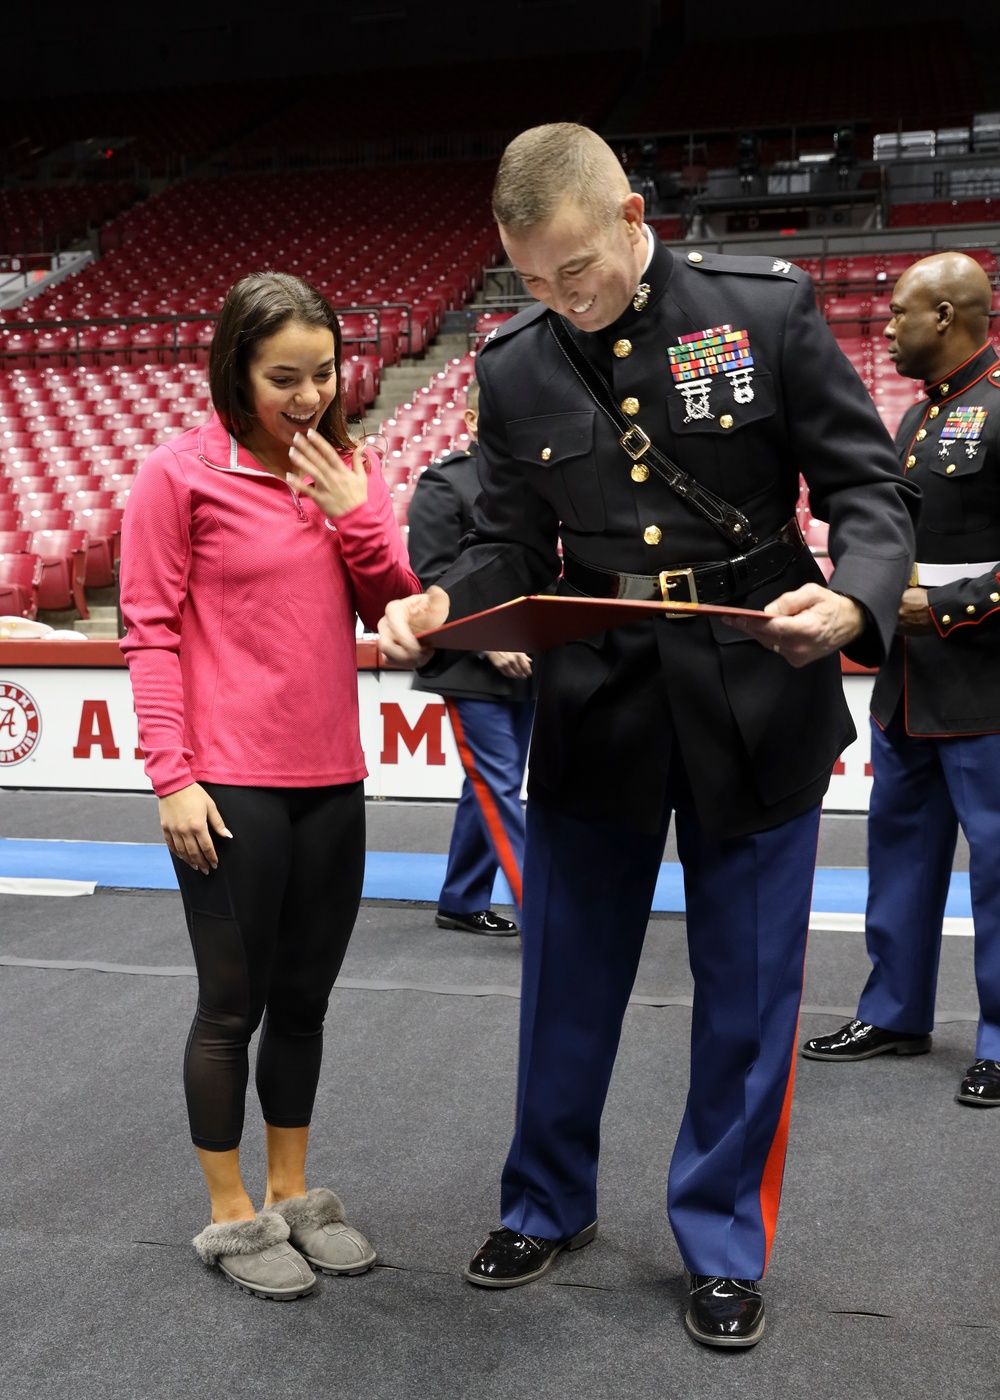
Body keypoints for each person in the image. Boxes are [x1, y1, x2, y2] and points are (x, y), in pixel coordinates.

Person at [377, 123, 918, 1349]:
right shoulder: (516, 364)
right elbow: (507, 542)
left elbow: (869, 490)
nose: (563, 301)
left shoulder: (760, 313)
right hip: (602, 696)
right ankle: (546, 1199)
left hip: (757, 684)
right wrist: (442, 602)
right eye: (533, 281)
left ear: (630, 213)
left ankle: (720, 1239)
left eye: (578, 271)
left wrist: (850, 596)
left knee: (746, 990)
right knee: (566, 977)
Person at [119, 272, 421, 1299]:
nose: (306, 395)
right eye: (281, 376)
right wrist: (171, 777)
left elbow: (399, 608)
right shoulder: (178, 475)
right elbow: (149, 634)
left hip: (331, 775)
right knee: (230, 1006)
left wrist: (355, 512)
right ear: (235, 372)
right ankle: (231, 1211)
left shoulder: (350, 472)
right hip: (227, 784)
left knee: (305, 1000)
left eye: (322, 373)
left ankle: (291, 1192)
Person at [802, 251, 1000, 1108]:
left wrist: (946, 608)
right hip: (911, 686)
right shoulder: (917, 419)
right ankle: (894, 1012)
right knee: (899, 856)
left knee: (998, 869)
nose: (886, 328)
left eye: (899, 315)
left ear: (948, 316)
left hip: (986, 681)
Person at [407, 376, 534, 936]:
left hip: (530, 661)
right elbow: (431, 582)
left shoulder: (533, 482)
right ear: (474, 420)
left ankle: (461, 898)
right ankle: (545, 911)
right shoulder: (443, 483)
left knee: (488, 783)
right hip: (470, 665)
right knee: (500, 785)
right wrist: (487, 642)